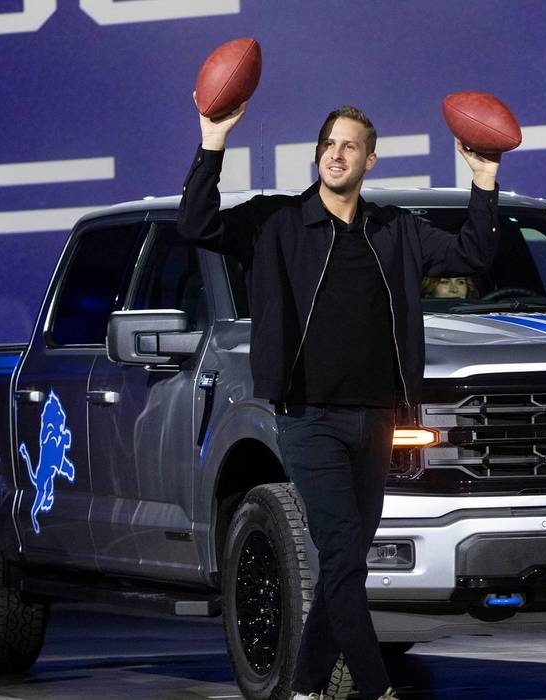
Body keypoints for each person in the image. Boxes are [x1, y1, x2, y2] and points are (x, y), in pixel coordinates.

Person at [178, 97, 500, 700]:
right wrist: (212, 140)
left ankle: (305, 687)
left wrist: (483, 180)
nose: (335, 153)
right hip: (309, 419)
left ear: (369, 160)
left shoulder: (393, 229)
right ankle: (377, 689)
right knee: (344, 557)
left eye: (349, 145)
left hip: (375, 420)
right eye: (328, 143)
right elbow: (196, 225)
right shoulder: (276, 222)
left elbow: (473, 255)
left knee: (344, 562)